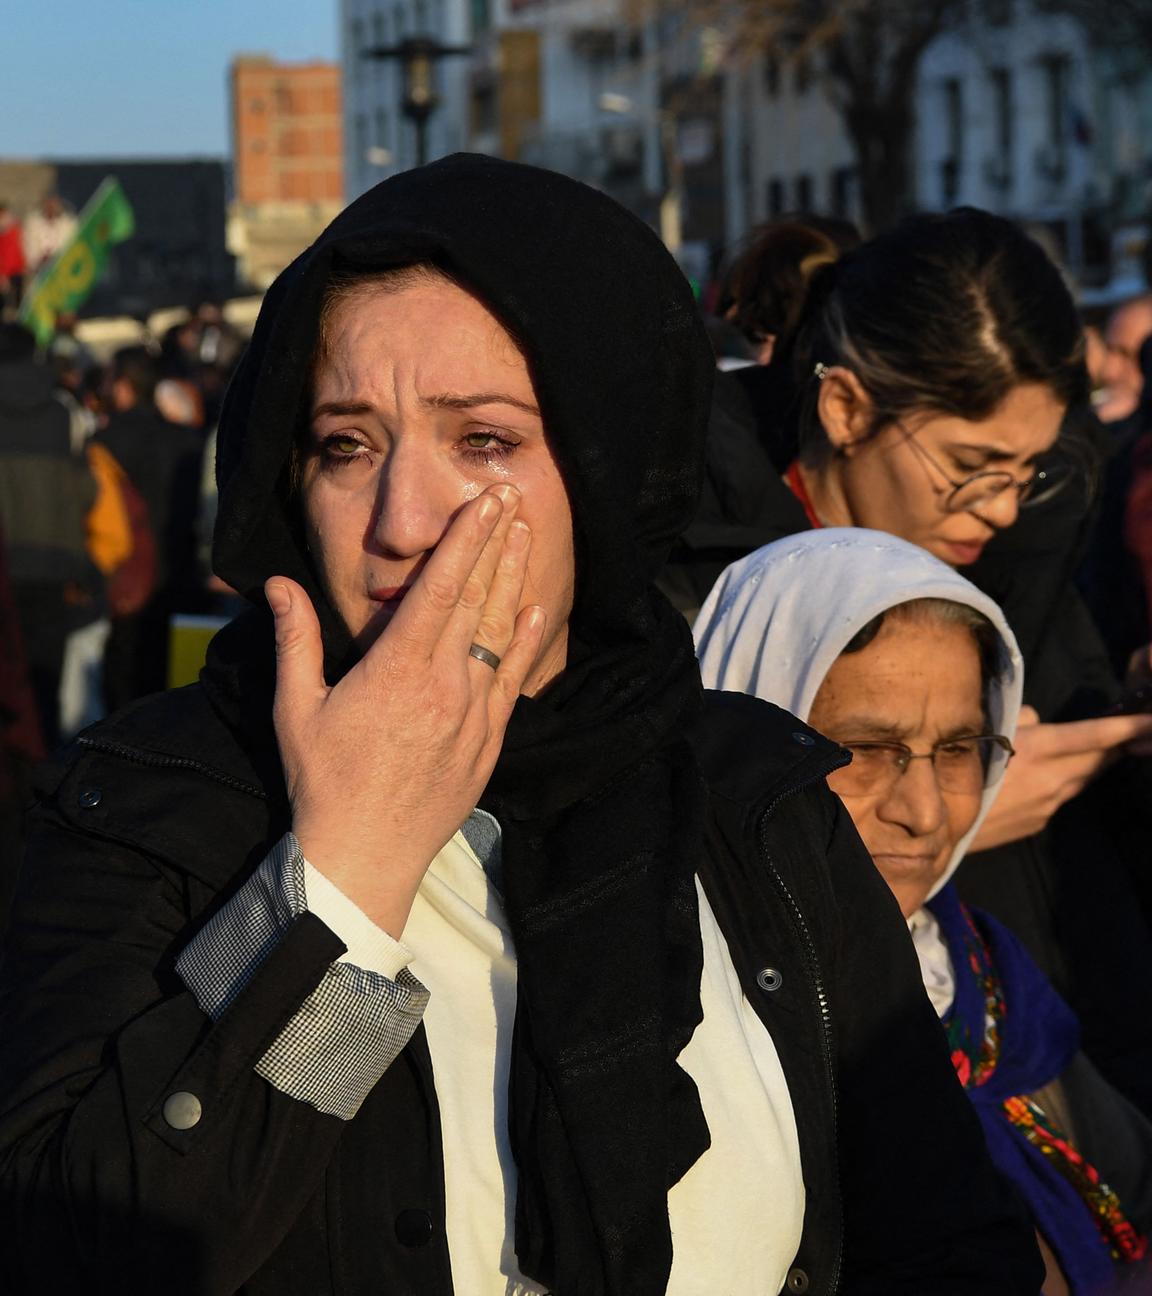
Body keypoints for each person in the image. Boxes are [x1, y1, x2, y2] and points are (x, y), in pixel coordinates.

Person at [0, 155, 1041, 1295]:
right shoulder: (144, 813)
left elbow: (943, 1240)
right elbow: (74, 1248)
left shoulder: (755, 804)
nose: (400, 521)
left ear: (603, 471)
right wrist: (345, 885)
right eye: (346, 443)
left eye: (483, 441)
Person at [681, 207, 1152, 1117]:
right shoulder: (692, 568)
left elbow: (1097, 850)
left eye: (1029, 470)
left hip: (1062, 1054)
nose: (1004, 509)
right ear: (846, 407)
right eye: (974, 466)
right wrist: (961, 824)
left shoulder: (1020, 562)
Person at [696, 528, 1152, 1296]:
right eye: (865, 749)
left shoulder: (981, 970)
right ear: (752, 733)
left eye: (960, 747)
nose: (926, 810)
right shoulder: (687, 1013)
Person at [0, 321, 102, 749]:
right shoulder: (62, 410)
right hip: (55, 561)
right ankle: (37, 774)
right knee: (43, 678)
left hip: (5, 563)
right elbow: (85, 489)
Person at [97, 345, 205, 705]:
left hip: (124, 582)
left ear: (123, 386)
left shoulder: (106, 445)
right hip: (179, 575)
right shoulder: (187, 441)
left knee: (122, 692)